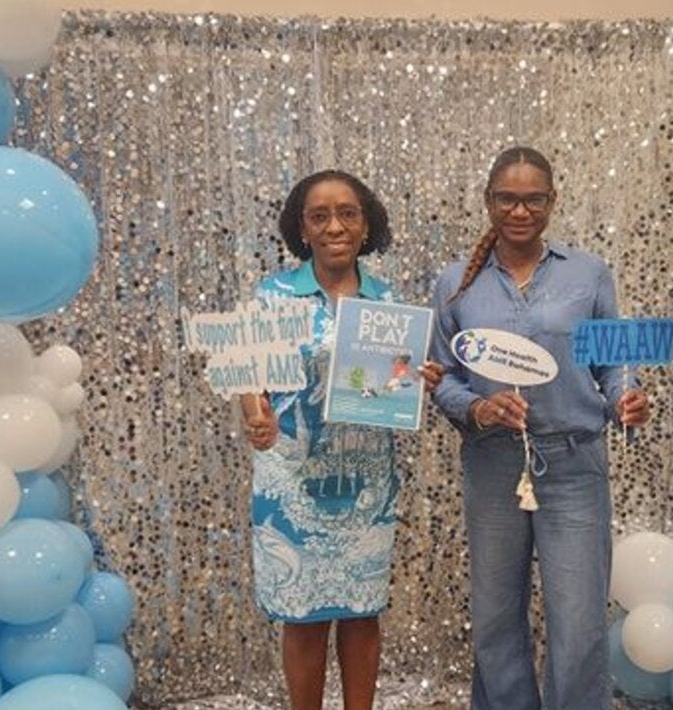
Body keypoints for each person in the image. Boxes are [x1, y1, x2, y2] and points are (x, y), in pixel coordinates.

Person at [429, 147, 649, 709]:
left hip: (574, 462)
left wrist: (627, 398)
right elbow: (443, 377)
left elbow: (613, 363)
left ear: (552, 202)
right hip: (494, 462)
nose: (520, 211)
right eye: (507, 198)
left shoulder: (589, 273)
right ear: (489, 202)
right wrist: (476, 409)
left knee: (578, 622)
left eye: (533, 199)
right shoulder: (455, 283)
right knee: (496, 616)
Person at [238, 169, 443, 710]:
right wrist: (256, 415)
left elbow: (390, 384)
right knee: (304, 618)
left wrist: (418, 378)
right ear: (301, 229)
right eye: (319, 215)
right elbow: (247, 375)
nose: (335, 225)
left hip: (366, 482)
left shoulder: (388, 300)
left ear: (365, 223)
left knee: (360, 611)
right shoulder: (274, 295)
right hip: (292, 479)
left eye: (348, 213)